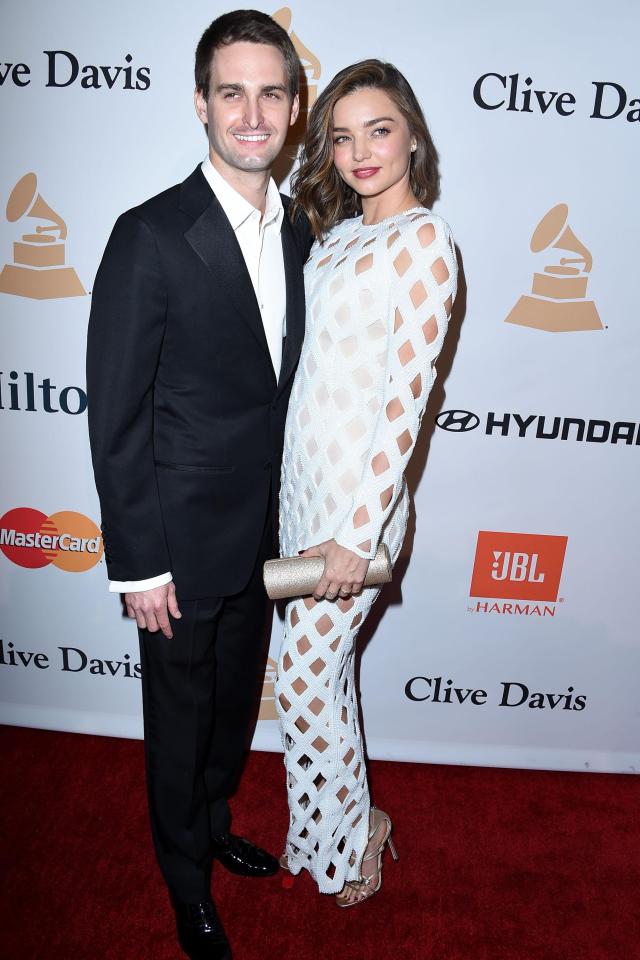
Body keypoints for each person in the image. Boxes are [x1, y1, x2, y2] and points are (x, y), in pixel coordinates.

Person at [86, 11, 312, 960]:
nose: (251, 114)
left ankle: (214, 823)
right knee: (177, 721)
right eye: (232, 92)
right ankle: (186, 881)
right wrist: (137, 564)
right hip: (175, 544)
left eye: (270, 93)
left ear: (295, 109)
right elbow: (116, 411)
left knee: (227, 706)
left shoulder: (300, 228)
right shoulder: (149, 234)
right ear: (200, 104)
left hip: (260, 534)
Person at [276, 59, 458, 907]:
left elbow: (404, 402)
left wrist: (359, 531)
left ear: (411, 134)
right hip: (303, 491)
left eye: (378, 130)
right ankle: (324, 826)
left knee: (309, 676)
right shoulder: (339, 233)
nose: (360, 152)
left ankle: (355, 836)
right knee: (311, 675)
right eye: (343, 137)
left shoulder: (424, 239)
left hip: (358, 507)